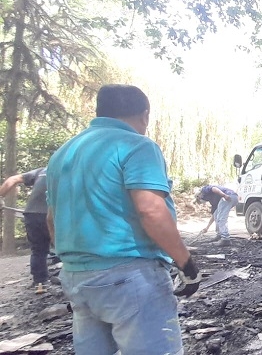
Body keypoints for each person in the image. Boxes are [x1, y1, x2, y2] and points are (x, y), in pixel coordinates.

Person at [46, 84, 200, 355]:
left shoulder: (63, 153)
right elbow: (151, 211)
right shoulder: (137, 145)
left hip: (76, 278)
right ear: (144, 115)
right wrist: (185, 263)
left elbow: (52, 219)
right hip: (130, 277)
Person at [0, 167, 52, 293]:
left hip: (32, 213)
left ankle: (40, 282)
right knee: (65, 245)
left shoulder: (42, 170)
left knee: (38, 249)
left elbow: (13, 179)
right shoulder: (72, 168)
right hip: (53, 212)